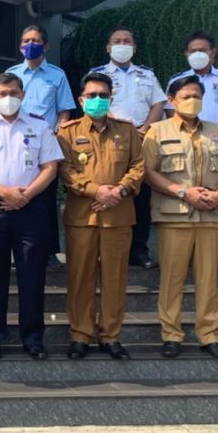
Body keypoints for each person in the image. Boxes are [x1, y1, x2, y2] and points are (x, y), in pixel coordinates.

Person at [0, 73, 63, 361]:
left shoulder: (40, 126)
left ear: (22, 95)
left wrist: (25, 196)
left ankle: (33, 337)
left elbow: (50, 168)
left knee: (32, 275)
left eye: (14, 93)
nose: (9, 98)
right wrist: (4, 194)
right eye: (3, 93)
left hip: (30, 208)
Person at [143, 75, 218, 359]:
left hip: (211, 213)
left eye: (197, 94)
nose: (192, 100)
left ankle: (209, 335)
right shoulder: (157, 131)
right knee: (172, 278)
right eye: (185, 96)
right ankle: (171, 334)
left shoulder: (214, 130)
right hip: (175, 214)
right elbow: (148, 172)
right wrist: (183, 193)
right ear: (171, 101)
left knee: (208, 279)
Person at [57, 72, 145, 360]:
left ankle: (110, 335)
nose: (97, 100)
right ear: (81, 100)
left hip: (118, 215)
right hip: (82, 216)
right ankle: (80, 334)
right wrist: (95, 191)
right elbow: (65, 171)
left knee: (115, 279)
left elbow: (138, 166)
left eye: (103, 96)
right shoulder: (67, 133)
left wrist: (117, 192)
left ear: (111, 99)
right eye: (91, 95)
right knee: (80, 277)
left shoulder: (127, 131)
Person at [166, 31, 218, 267]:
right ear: (186, 54)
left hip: (217, 138)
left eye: (203, 50)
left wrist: (215, 131)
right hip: (184, 139)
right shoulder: (177, 80)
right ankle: (190, 246)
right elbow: (170, 109)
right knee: (188, 186)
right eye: (193, 51)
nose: (198, 54)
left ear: (212, 53)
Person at [91, 26, 166, 269]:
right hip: (110, 139)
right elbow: (98, 103)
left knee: (139, 196)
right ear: (108, 47)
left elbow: (158, 103)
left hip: (143, 139)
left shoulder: (146, 74)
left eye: (127, 41)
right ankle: (107, 250)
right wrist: (121, 129)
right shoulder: (98, 73)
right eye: (117, 40)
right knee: (111, 192)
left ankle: (139, 251)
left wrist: (144, 128)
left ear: (134, 47)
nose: (122, 44)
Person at [5, 24, 76, 270]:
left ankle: (48, 251)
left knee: (45, 199)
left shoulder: (57, 75)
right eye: (25, 40)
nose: (30, 44)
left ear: (45, 45)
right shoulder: (12, 74)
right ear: (20, 46)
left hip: (45, 143)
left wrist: (59, 134)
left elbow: (64, 110)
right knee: (19, 192)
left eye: (35, 40)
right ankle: (18, 251)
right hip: (16, 142)